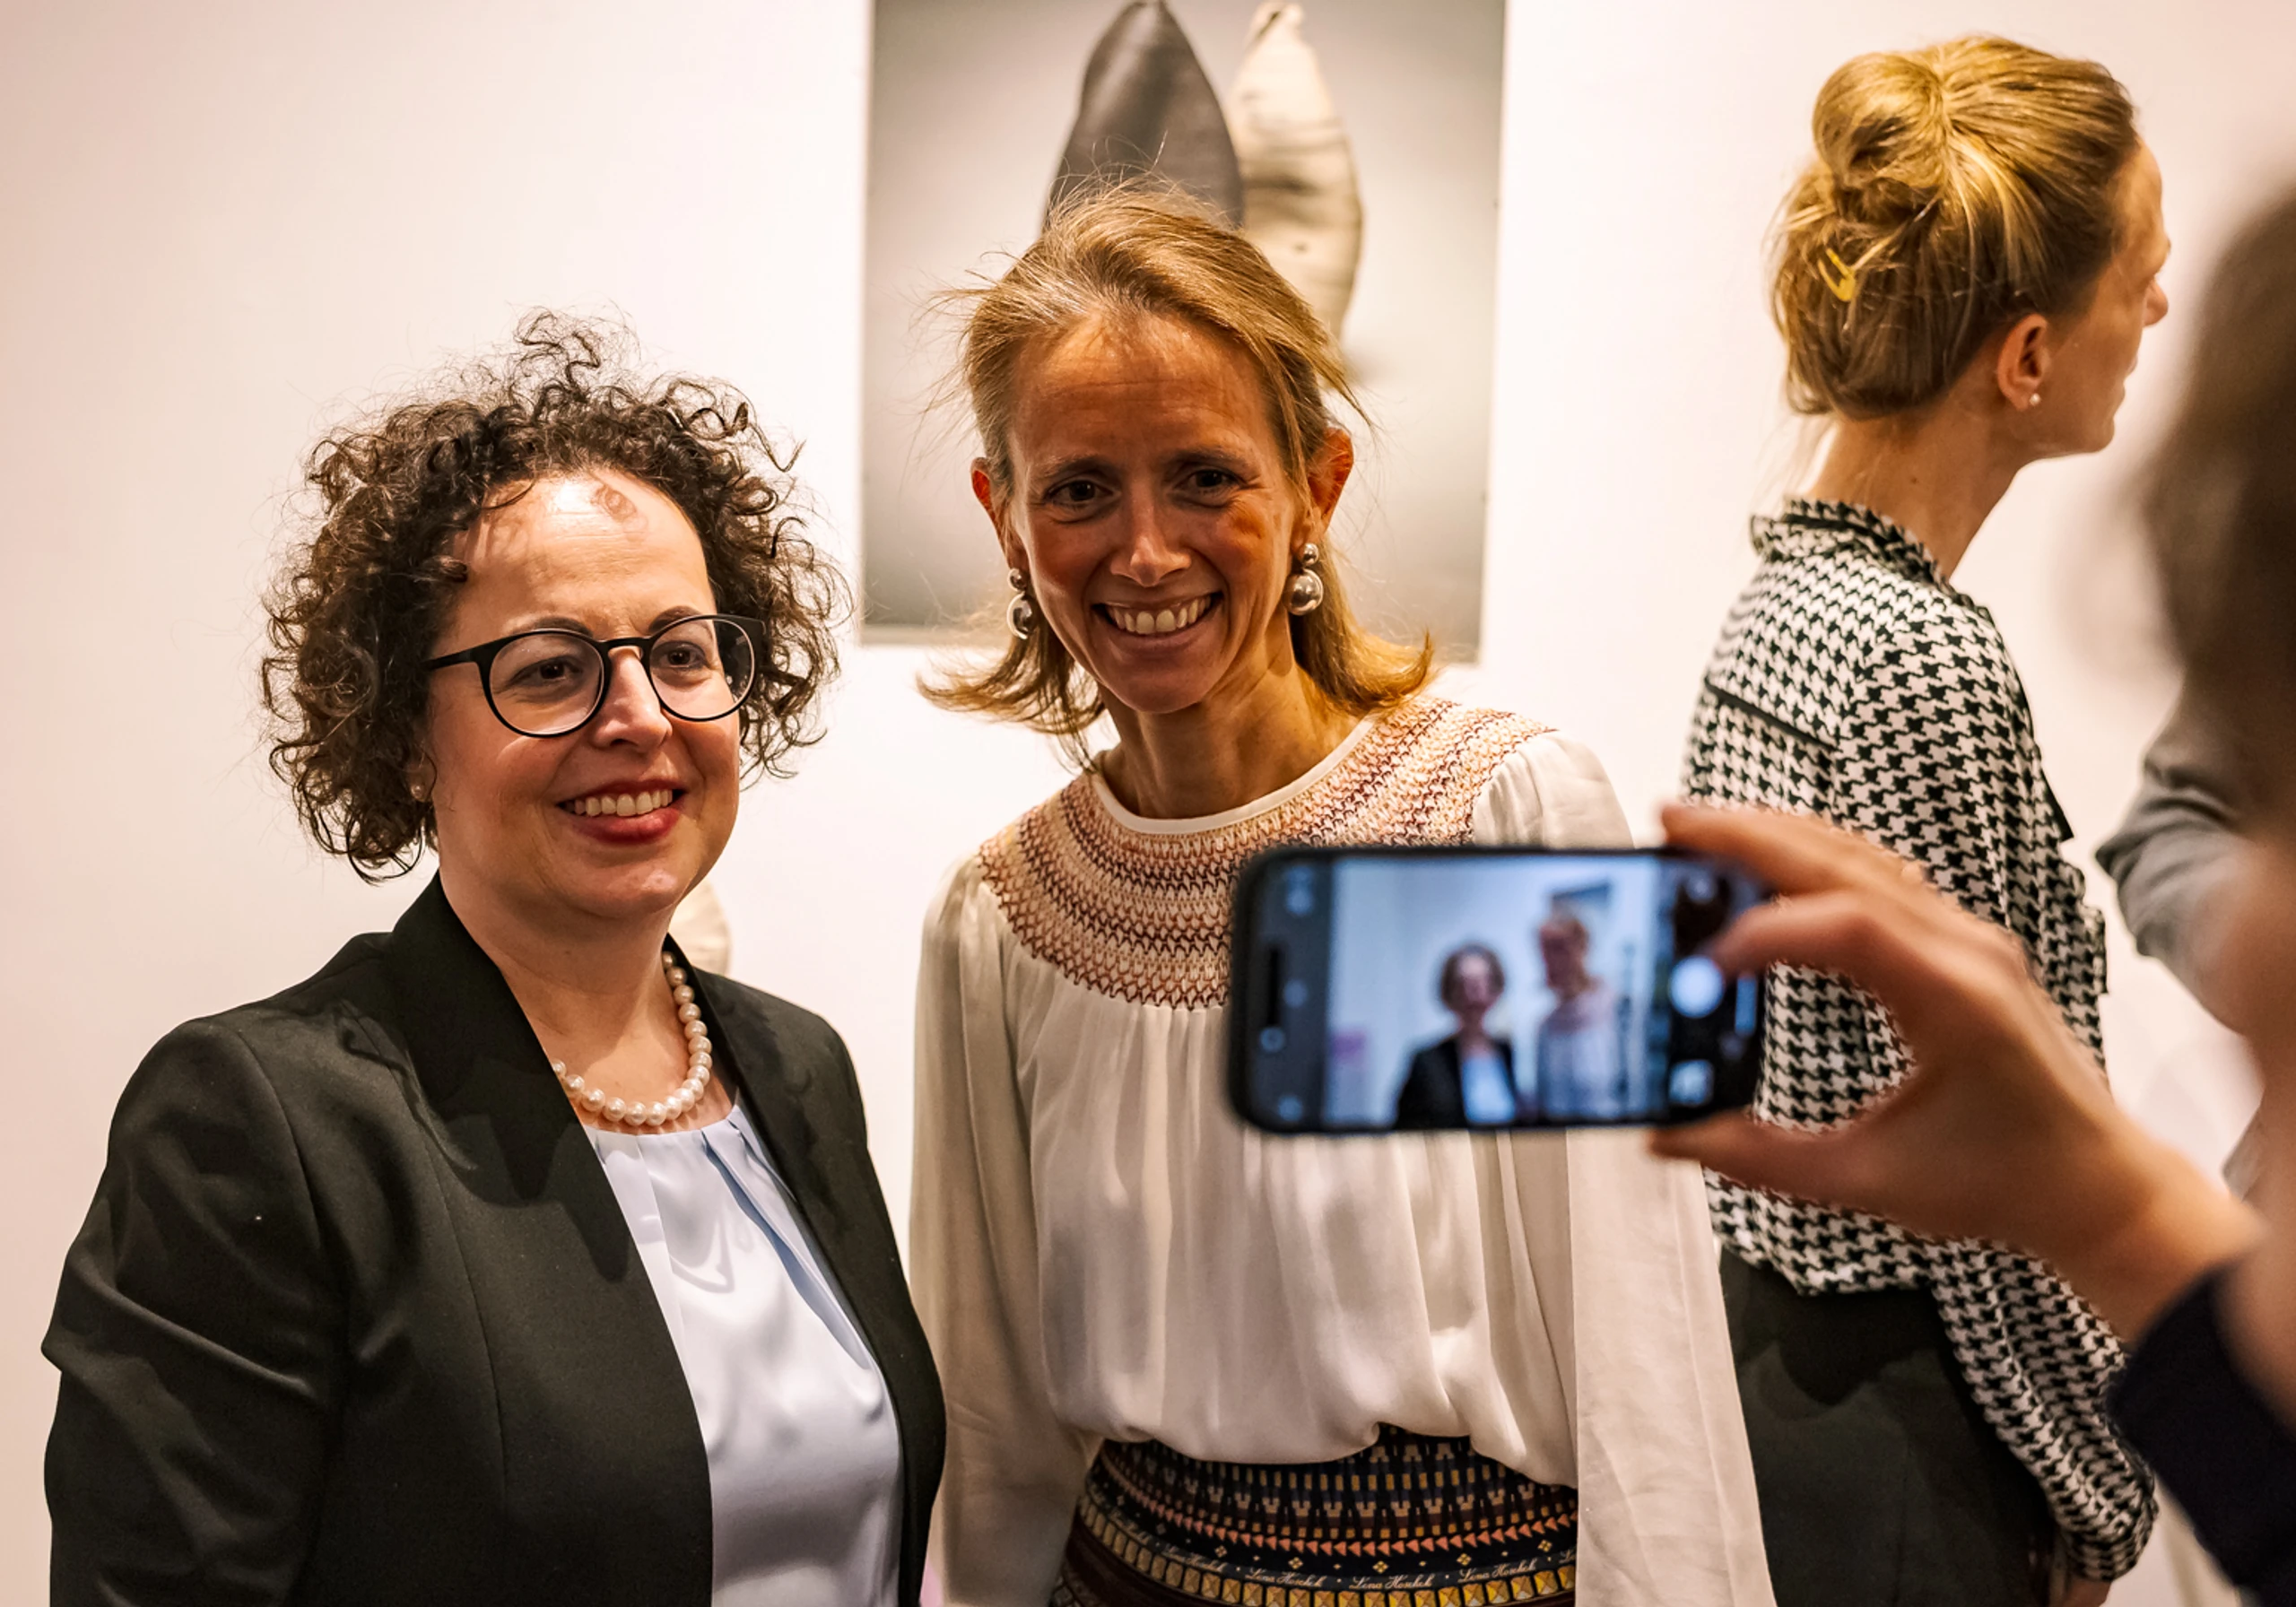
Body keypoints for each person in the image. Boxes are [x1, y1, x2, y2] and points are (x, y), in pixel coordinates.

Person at [911, 189, 1770, 1607]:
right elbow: (993, 1420)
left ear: (1316, 484)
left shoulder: (1506, 819)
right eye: (1079, 490)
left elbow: (1647, 1355)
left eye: (1206, 477)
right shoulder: (998, 919)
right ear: (1003, 517)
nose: (1145, 551)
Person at [43, 317, 944, 1607]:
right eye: (551, 669)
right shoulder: (261, 1124)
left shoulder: (798, 1066)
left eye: (681, 653)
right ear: (408, 733)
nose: (637, 717)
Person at [1677, 37, 2170, 1603]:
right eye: (2138, 278)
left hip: (1787, 1393)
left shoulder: (1781, 607)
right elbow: (1986, 1174)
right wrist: (2098, 1494)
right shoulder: (1918, 659)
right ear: (2025, 356)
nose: (2160, 309)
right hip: (1914, 1448)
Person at [1395, 942, 1520, 1126]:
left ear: (1496, 988)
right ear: (1450, 992)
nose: (1473, 995)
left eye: (1481, 983)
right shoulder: (1428, 1062)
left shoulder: (1509, 1052)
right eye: (1464, 984)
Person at [1532, 908, 1633, 1120]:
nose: (1551, 960)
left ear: (1583, 947)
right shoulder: (1545, 1028)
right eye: (1545, 950)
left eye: (1559, 948)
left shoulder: (1619, 1011)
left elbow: (1635, 1092)